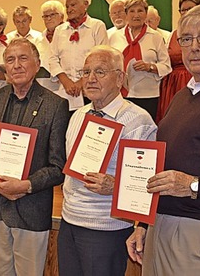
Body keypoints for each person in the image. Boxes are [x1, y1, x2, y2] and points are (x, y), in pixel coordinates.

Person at [126, 4, 200, 275]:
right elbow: (164, 167)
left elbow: (186, 182)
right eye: (186, 39)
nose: (194, 46)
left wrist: (193, 185)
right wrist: (143, 224)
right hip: (160, 226)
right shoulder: (183, 95)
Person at [0, 38, 69, 275]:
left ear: (37, 64)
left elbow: (57, 165)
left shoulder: (55, 105)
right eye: (10, 60)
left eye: (23, 58)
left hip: (31, 208)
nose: (17, 65)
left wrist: (27, 184)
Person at [58, 45, 157, 276]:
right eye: (86, 72)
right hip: (69, 222)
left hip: (106, 228)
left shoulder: (138, 121)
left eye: (100, 72)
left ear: (120, 77)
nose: (91, 79)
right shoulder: (78, 116)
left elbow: (147, 184)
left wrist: (115, 185)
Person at [109, 0, 172, 120]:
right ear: (126, 14)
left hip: (148, 95)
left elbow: (166, 66)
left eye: (140, 11)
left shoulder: (155, 37)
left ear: (145, 13)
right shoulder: (114, 37)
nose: (136, 15)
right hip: (120, 95)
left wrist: (150, 67)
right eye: (132, 11)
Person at [49, 0, 108, 111]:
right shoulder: (60, 30)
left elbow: (102, 58)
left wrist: (82, 82)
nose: (69, 9)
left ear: (86, 4)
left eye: (73, 5)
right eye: (67, 6)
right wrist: (66, 81)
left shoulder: (97, 26)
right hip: (65, 91)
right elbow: (52, 58)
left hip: (91, 88)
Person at [155, 0, 200, 123]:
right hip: (171, 84)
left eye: (191, 9)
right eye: (184, 10)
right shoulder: (173, 34)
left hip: (195, 79)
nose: (187, 13)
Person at [35, 0, 65, 92]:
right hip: (42, 86)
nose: (48, 19)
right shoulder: (39, 39)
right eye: (45, 16)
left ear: (62, 16)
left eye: (52, 15)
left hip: (65, 86)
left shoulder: (69, 35)